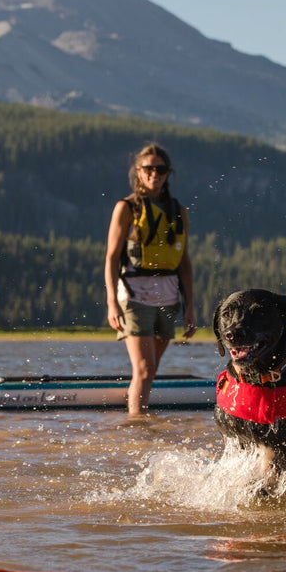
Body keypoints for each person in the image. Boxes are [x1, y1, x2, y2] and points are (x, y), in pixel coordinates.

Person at [105, 143, 196, 415]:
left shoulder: (179, 211)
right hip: (133, 294)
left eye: (161, 169)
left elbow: (184, 261)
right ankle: (138, 426)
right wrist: (111, 301)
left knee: (151, 369)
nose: (154, 174)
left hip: (168, 295)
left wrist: (189, 305)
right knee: (144, 370)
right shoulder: (126, 208)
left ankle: (137, 409)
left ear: (168, 173)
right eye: (149, 169)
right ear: (139, 172)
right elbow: (111, 256)